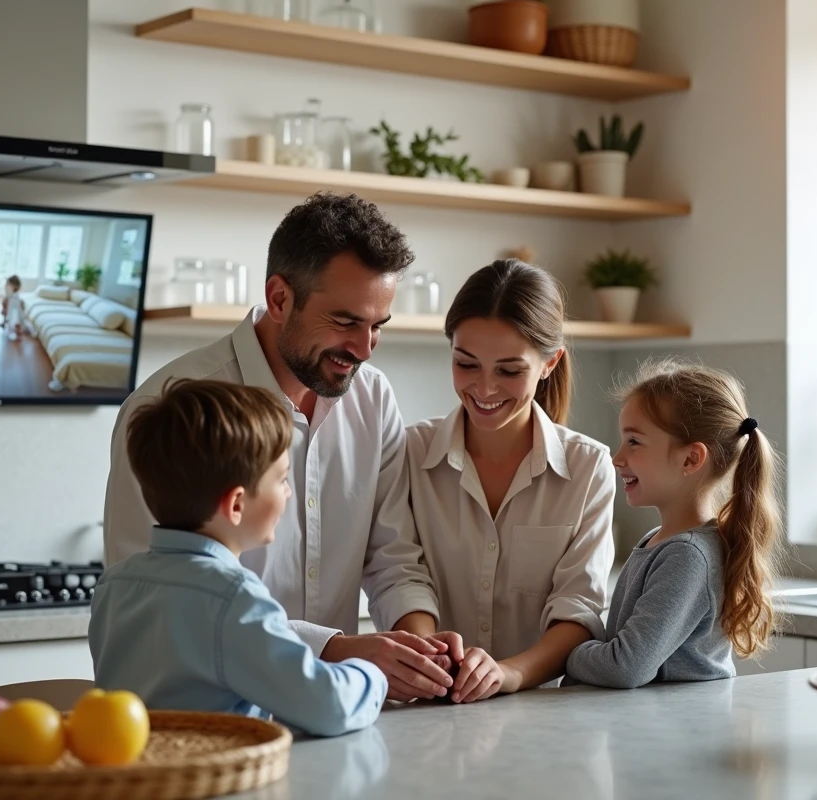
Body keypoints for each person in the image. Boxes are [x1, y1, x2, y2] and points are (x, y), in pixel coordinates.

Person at [104, 192, 455, 702]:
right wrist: (335, 650)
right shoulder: (169, 406)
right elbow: (157, 597)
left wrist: (421, 652)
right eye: (345, 321)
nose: (363, 350)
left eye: (377, 326)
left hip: (327, 725)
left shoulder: (373, 398)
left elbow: (392, 558)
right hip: (205, 728)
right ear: (279, 298)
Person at [90, 380, 387, 737]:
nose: (289, 493)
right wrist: (372, 672)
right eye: (281, 480)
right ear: (235, 505)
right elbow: (328, 706)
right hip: (215, 783)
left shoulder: (115, 584)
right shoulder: (232, 595)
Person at [406, 259, 616, 704]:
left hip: (544, 716)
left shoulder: (588, 467)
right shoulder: (409, 453)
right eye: (466, 364)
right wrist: (430, 657)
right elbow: (402, 574)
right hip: (429, 709)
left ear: (548, 363)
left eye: (508, 370)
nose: (484, 389)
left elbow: (578, 609)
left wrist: (508, 674)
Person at [565, 359, 780, 689]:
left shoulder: (687, 556)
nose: (617, 457)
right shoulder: (660, 541)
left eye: (634, 442)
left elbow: (624, 667)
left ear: (691, 459)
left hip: (678, 737)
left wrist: (565, 652)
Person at [1, 275, 24, 341]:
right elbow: (5, 301)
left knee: (16, 321)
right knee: (8, 317)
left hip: (14, 310)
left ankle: (18, 329)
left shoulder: (15, 295)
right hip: (9, 309)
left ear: (15, 286)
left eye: (8, 284)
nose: (6, 286)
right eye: (6, 284)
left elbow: (18, 304)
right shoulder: (9, 293)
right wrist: (4, 307)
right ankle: (4, 322)